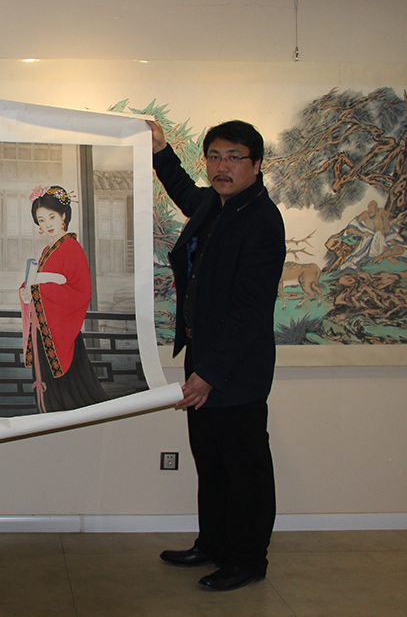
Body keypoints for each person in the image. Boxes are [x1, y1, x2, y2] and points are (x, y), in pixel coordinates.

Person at [149, 119, 286, 592]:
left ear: (256, 164)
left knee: (244, 469)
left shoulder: (262, 221)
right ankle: (213, 543)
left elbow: (249, 312)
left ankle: (247, 559)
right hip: (205, 361)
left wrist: (207, 374)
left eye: (234, 157)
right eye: (214, 157)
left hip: (235, 371)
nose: (222, 167)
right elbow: (185, 191)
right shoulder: (215, 203)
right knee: (210, 462)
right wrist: (161, 150)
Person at [18, 186, 109, 413]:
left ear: (64, 216)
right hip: (44, 326)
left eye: (52, 217)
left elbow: (80, 291)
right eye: (41, 220)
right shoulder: (47, 251)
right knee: (49, 383)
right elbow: (35, 282)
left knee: (71, 389)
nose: (47, 224)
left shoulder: (71, 247)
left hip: (61, 329)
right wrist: (26, 292)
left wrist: (40, 291)